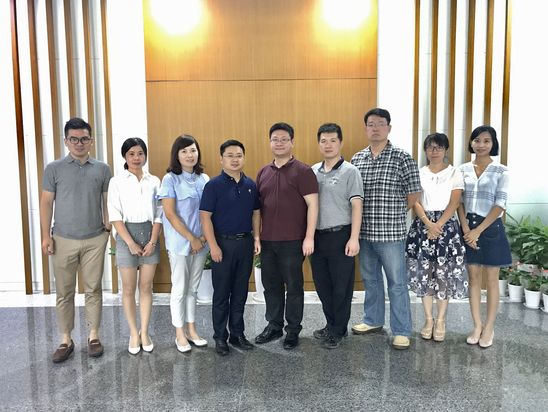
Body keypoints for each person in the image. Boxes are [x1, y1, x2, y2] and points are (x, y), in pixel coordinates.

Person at [40, 117, 112, 363]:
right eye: (74, 139)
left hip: (95, 239)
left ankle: (94, 336)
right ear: (66, 141)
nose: (79, 143)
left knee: (93, 289)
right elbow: (46, 202)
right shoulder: (54, 168)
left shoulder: (102, 169)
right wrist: (45, 236)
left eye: (84, 139)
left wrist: (107, 229)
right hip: (62, 239)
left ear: (91, 141)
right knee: (64, 291)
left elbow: (107, 200)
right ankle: (65, 340)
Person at [350, 108, 421, 350]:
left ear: (389, 128)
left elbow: (414, 193)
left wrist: (395, 212)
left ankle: (401, 330)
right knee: (371, 280)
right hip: (364, 234)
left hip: (391, 234)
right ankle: (373, 320)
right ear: (365, 129)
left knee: (397, 283)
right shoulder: (357, 159)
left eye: (381, 123)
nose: (376, 128)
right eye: (371, 124)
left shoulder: (402, 157)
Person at [255, 122, 319, 350]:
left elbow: (313, 205)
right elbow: (257, 210)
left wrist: (309, 237)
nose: (279, 143)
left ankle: (293, 330)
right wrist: (257, 237)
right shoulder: (263, 172)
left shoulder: (303, 171)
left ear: (292, 142)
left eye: (284, 139)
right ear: (270, 142)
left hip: (293, 241)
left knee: (293, 287)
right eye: (275, 139)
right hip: (268, 241)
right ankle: (274, 326)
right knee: (271, 286)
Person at [199, 140, 261, 356]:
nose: (235, 160)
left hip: (245, 243)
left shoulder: (251, 185)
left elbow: (256, 213)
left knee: (240, 292)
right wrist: (213, 246)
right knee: (221, 294)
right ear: (221, 159)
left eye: (239, 155)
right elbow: (205, 218)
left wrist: (256, 238)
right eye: (230, 155)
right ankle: (220, 337)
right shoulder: (213, 186)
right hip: (222, 245)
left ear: (244, 158)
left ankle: (237, 334)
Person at [405, 133, 468, 343]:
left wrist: (438, 225)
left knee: (443, 275)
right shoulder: (418, 172)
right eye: (430, 147)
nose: (434, 151)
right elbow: (415, 200)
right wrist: (428, 223)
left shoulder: (454, 173)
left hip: (446, 227)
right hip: (423, 226)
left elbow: (455, 202)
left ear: (445, 150)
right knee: (424, 274)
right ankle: (428, 320)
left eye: (439, 147)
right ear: (425, 150)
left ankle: (441, 320)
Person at [310, 123, 363, 349]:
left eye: (333, 140)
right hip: (318, 237)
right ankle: (330, 324)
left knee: (341, 287)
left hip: (341, 235)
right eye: (323, 141)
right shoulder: (313, 171)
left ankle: (339, 330)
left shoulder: (350, 171)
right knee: (323, 285)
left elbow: (357, 205)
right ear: (318, 144)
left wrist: (354, 238)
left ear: (340, 142)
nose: (328, 145)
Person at [457, 125, 511, 349]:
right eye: (477, 140)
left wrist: (478, 231)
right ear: (471, 143)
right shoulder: (462, 170)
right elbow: (458, 202)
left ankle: (489, 327)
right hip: (467, 226)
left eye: (486, 141)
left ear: (493, 144)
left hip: (490, 227)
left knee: (491, 280)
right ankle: (477, 325)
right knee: (473, 279)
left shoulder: (501, 171)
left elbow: (500, 204)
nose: (481, 145)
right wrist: (466, 228)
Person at [107, 138, 162, 354]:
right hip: (125, 235)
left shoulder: (154, 181)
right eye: (131, 154)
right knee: (129, 289)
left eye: (140, 153)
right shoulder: (117, 181)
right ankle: (133, 332)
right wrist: (130, 242)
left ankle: (145, 332)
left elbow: (159, 213)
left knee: (146, 287)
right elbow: (114, 214)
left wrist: (153, 241)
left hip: (150, 233)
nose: (136, 158)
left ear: (145, 155)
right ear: (125, 156)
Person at [157, 135, 209, 353]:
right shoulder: (170, 179)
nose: (190, 155)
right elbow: (170, 214)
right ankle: (179, 333)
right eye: (184, 151)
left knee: (193, 288)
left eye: (193, 150)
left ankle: (192, 329)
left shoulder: (204, 178)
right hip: (180, 244)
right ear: (177, 155)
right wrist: (192, 238)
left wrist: (202, 238)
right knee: (179, 288)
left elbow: (209, 212)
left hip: (202, 243)